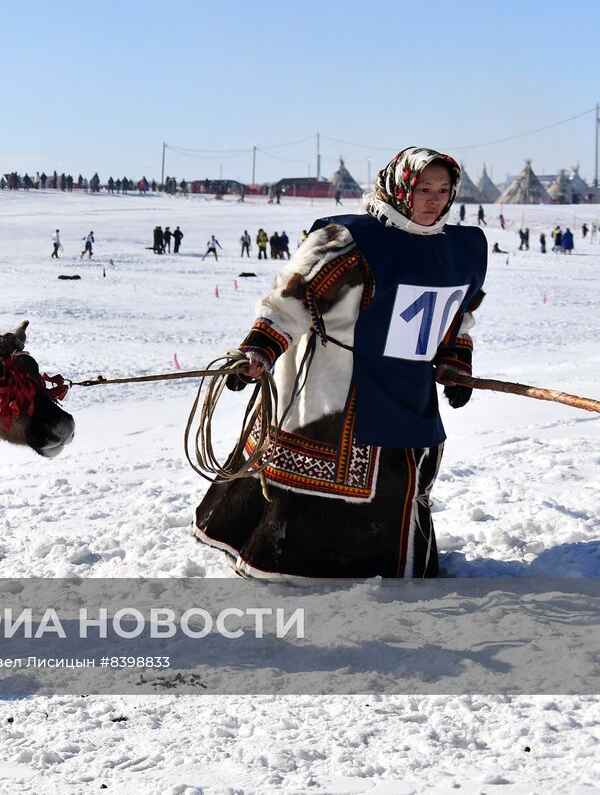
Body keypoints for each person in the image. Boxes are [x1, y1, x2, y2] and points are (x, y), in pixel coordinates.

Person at [195, 147, 487, 578]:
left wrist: (455, 361)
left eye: (443, 190)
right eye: (424, 189)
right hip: (337, 385)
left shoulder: (462, 249)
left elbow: (457, 316)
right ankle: (296, 565)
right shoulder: (348, 241)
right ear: (400, 187)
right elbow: (288, 303)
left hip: (409, 387)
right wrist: (258, 349)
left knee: (400, 472)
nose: (434, 200)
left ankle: (389, 566)